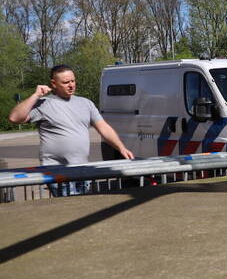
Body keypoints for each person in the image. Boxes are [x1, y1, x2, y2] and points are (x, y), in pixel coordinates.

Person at [8, 65, 134, 195]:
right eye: (65, 82)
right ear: (54, 83)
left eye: (73, 81)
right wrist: (35, 95)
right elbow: (14, 117)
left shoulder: (86, 103)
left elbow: (103, 127)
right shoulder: (43, 103)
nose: (71, 85)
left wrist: (121, 148)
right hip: (57, 172)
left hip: (81, 169)